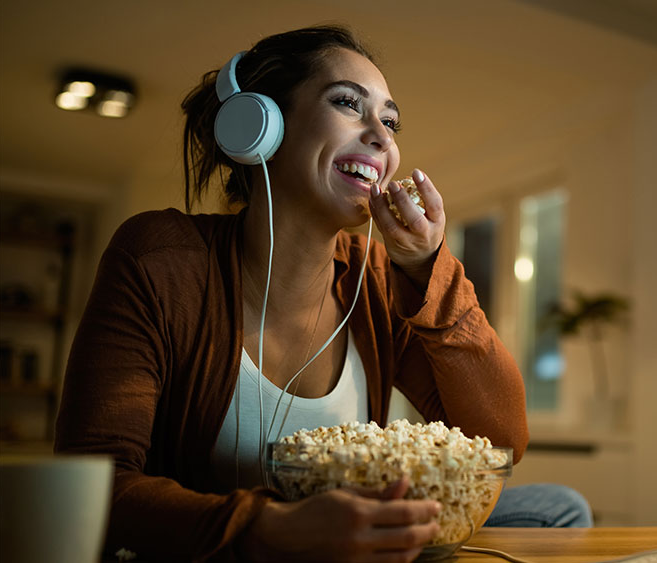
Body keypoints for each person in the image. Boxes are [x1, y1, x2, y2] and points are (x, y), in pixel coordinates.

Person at [54, 24, 590, 562]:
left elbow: (500, 439)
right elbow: (93, 487)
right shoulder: (160, 258)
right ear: (260, 125)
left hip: (357, 540)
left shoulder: (376, 276)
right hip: (226, 544)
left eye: (390, 120)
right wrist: (274, 528)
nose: (381, 135)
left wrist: (429, 267)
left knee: (558, 507)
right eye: (347, 103)